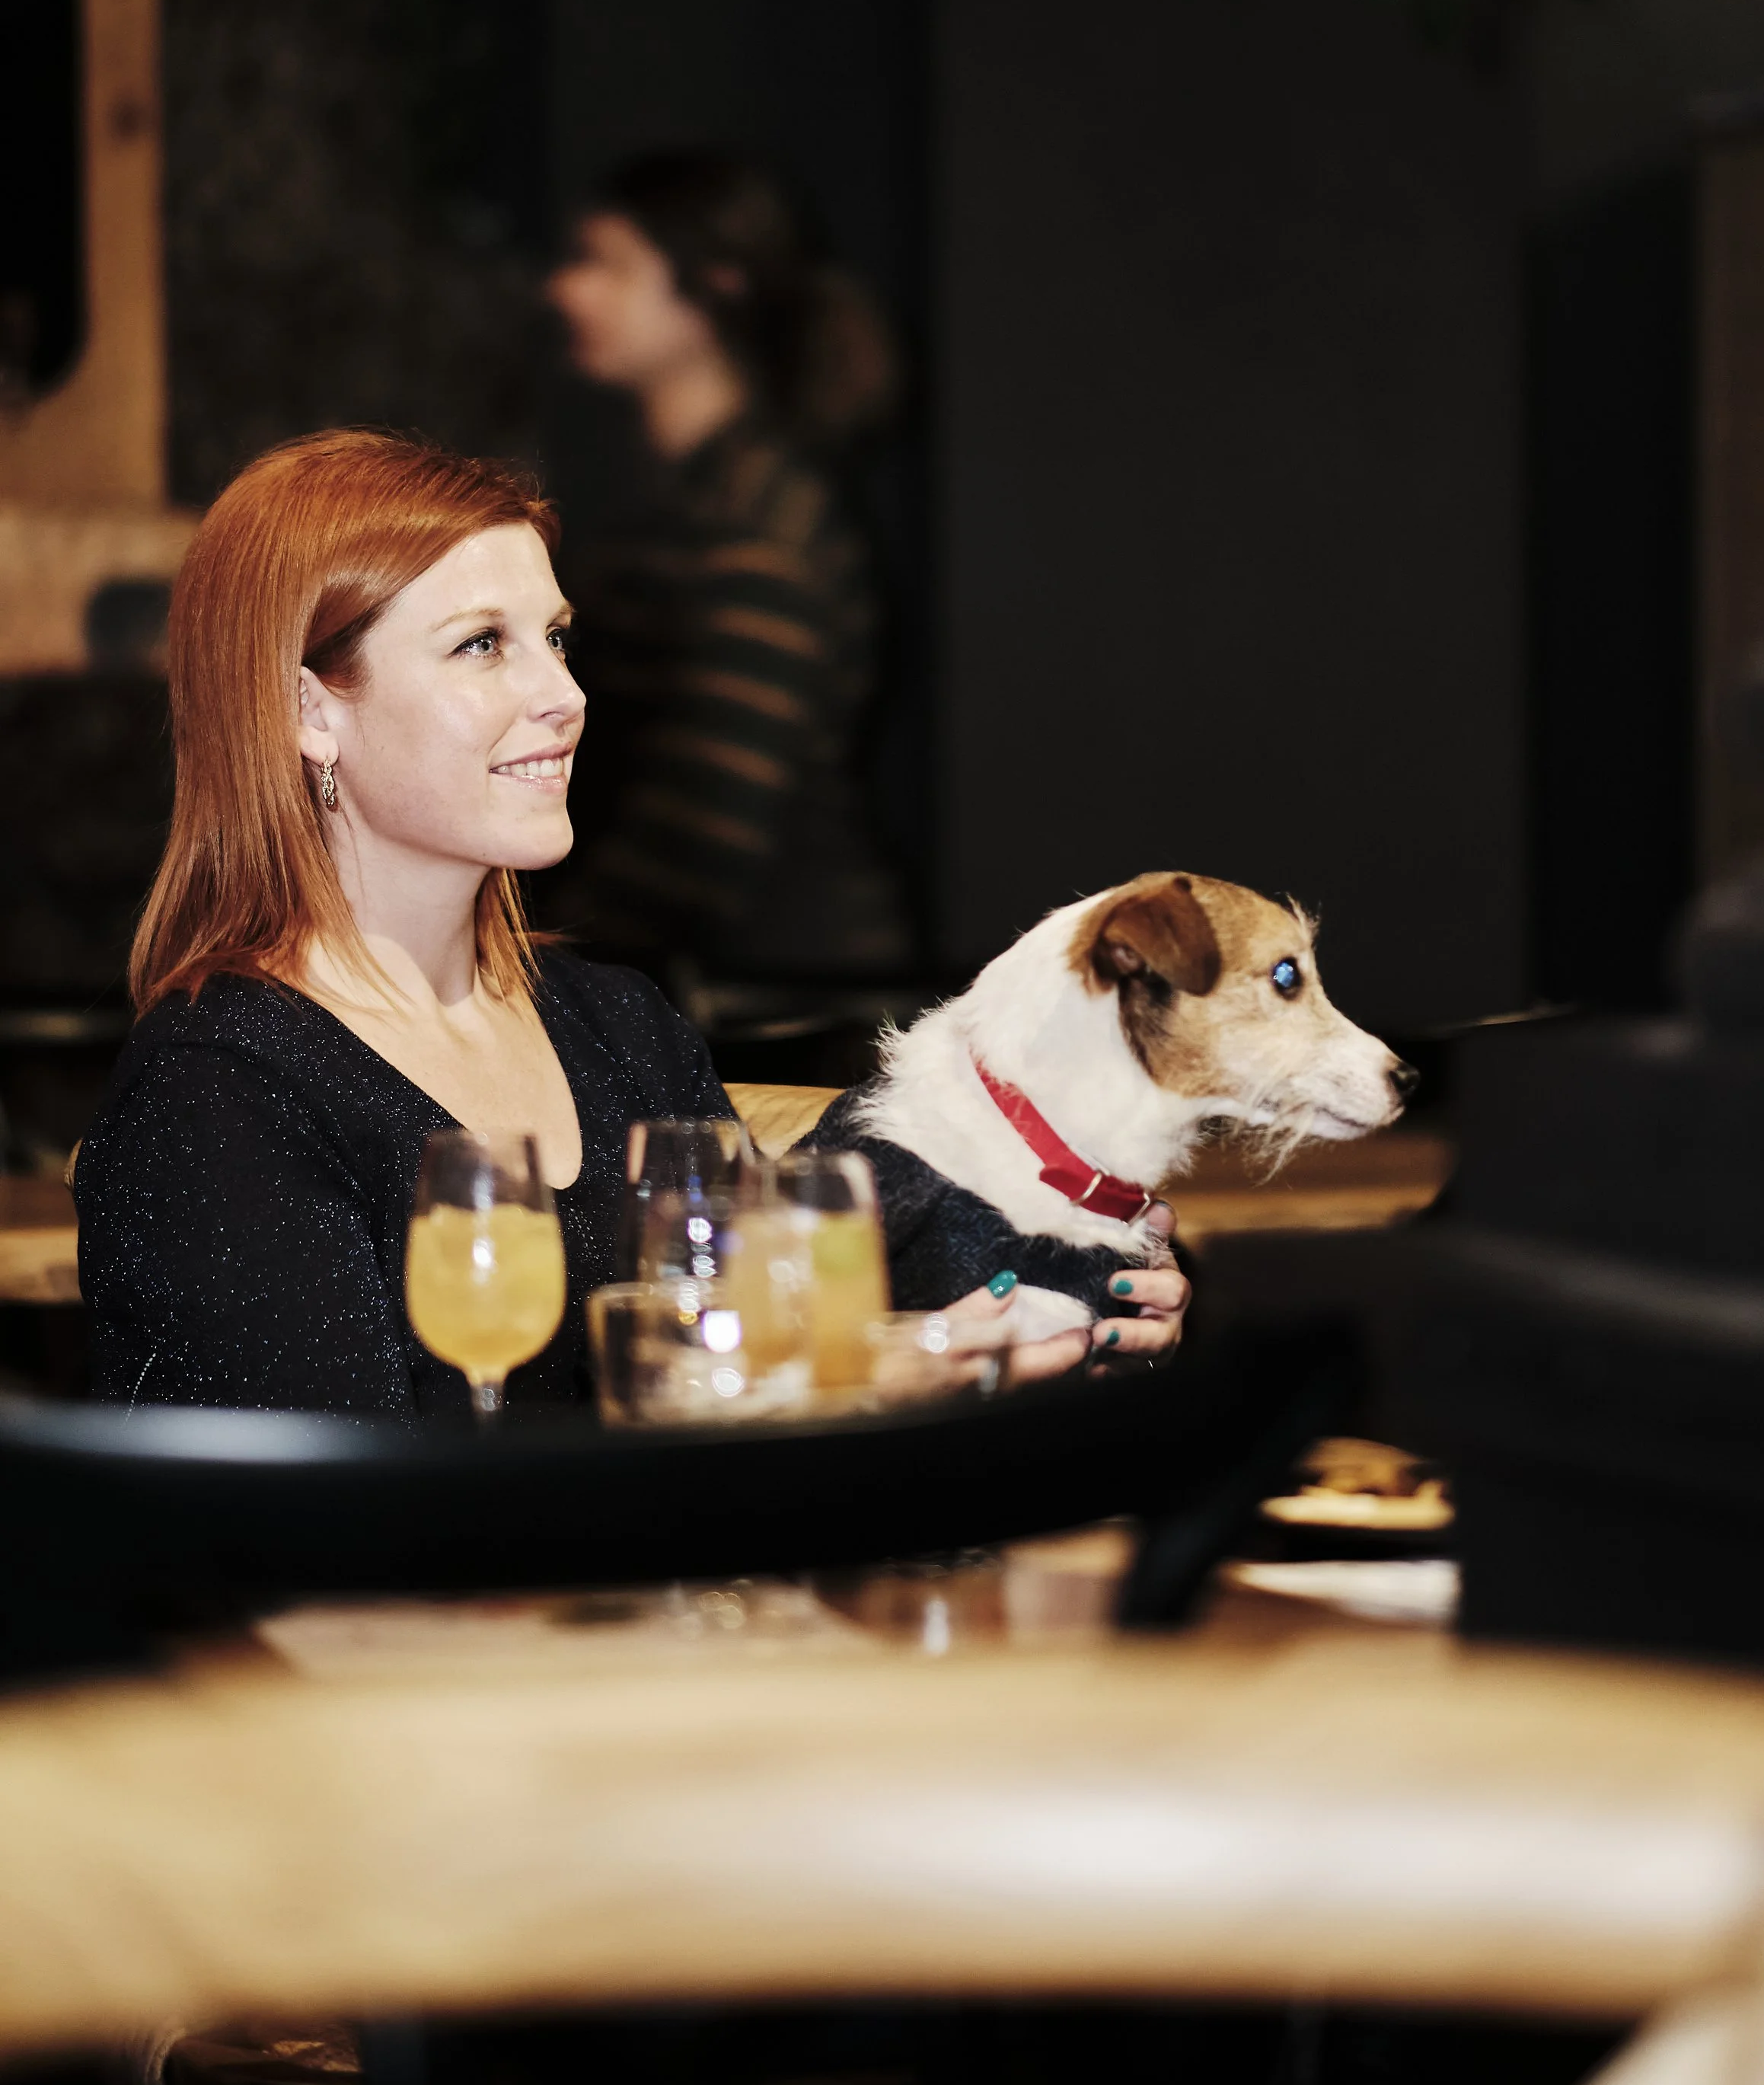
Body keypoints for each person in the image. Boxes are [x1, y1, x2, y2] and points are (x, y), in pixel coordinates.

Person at [74, 429, 1185, 1414]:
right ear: (310, 710)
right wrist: (830, 1383)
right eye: (481, 644)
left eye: (555, 637)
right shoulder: (218, 1089)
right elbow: (329, 1539)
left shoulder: (620, 1027)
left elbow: (776, 1335)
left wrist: (1066, 1297)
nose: (565, 693)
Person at [542, 152, 910, 981]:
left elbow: (704, 828)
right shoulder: (702, 499)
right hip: (715, 979)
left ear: (715, 289)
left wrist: (533, 964)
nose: (568, 290)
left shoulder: (756, 521)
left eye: (609, 265)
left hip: (774, 996)